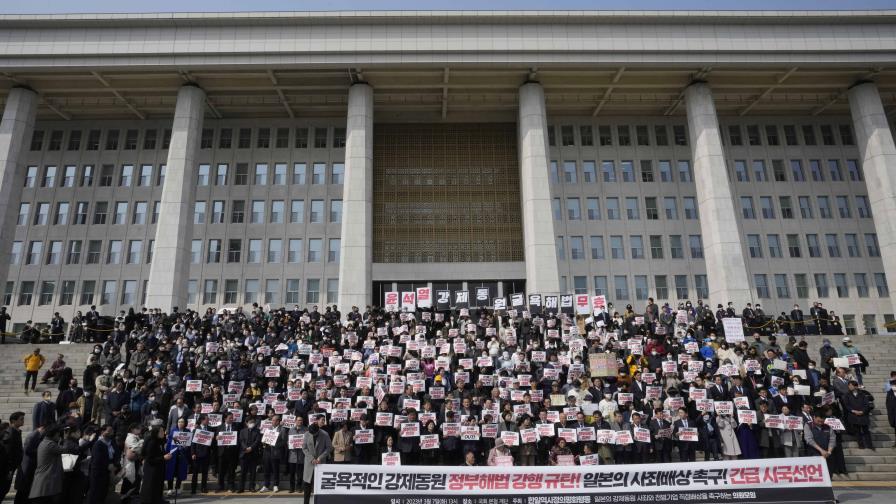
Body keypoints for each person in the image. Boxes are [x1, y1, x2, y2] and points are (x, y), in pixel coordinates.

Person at [28, 424, 64, 504]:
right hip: (45, 484)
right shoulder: (50, 444)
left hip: (44, 483)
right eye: (58, 434)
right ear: (54, 434)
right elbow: (66, 449)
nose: (59, 436)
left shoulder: (45, 442)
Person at [140, 426, 173, 504]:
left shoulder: (159, 441)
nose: (163, 433)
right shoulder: (152, 442)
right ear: (156, 433)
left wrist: (166, 455)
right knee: (151, 486)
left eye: (163, 431)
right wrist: (163, 458)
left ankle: (158, 499)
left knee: (158, 485)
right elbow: (149, 458)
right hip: (152, 469)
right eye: (161, 431)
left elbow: (160, 453)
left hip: (159, 468)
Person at [302, 422, 332, 504]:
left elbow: (329, 448)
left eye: (314, 434)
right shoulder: (307, 434)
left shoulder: (325, 434)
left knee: (319, 487)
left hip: (320, 463)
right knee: (307, 486)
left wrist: (320, 457)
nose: (313, 435)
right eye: (311, 433)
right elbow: (304, 448)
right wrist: (311, 458)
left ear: (318, 430)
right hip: (309, 463)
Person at [87, 424, 117, 504]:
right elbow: (97, 460)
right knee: (95, 494)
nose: (111, 433)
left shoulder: (111, 443)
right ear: (102, 432)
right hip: (98, 473)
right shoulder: (98, 444)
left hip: (106, 472)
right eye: (109, 431)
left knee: (103, 494)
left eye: (112, 431)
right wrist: (108, 464)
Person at [0, 412, 25, 502]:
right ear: (13, 421)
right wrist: (9, 470)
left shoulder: (16, 432)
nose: (23, 421)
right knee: (3, 489)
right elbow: (8, 454)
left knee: (5, 489)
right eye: (21, 419)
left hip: (12, 467)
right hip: (7, 469)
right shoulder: (10, 433)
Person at [842, 380, 873, 450]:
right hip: (854, 415)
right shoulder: (847, 395)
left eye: (851, 385)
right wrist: (853, 411)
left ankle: (869, 445)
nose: (849, 387)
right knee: (857, 431)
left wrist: (863, 411)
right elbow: (847, 405)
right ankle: (861, 445)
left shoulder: (862, 394)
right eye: (849, 386)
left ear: (855, 386)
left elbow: (866, 404)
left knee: (866, 431)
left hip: (863, 415)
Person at [164, 418, 189, 496]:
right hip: (173, 454)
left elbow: (189, 443)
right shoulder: (173, 430)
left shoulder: (187, 431)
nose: (180, 423)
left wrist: (186, 446)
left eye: (182, 422)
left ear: (185, 423)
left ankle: (178, 488)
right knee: (171, 471)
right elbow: (168, 443)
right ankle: (170, 489)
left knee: (180, 471)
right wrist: (168, 452)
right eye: (179, 422)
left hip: (182, 455)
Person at [237, 416, 261, 493]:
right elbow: (241, 441)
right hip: (244, 454)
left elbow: (257, 441)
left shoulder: (257, 431)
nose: (252, 424)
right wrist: (245, 448)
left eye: (253, 422)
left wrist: (251, 448)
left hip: (253, 454)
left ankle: (251, 487)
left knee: (253, 472)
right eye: (250, 422)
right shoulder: (242, 431)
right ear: (246, 423)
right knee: (243, 472)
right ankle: (241, 488)